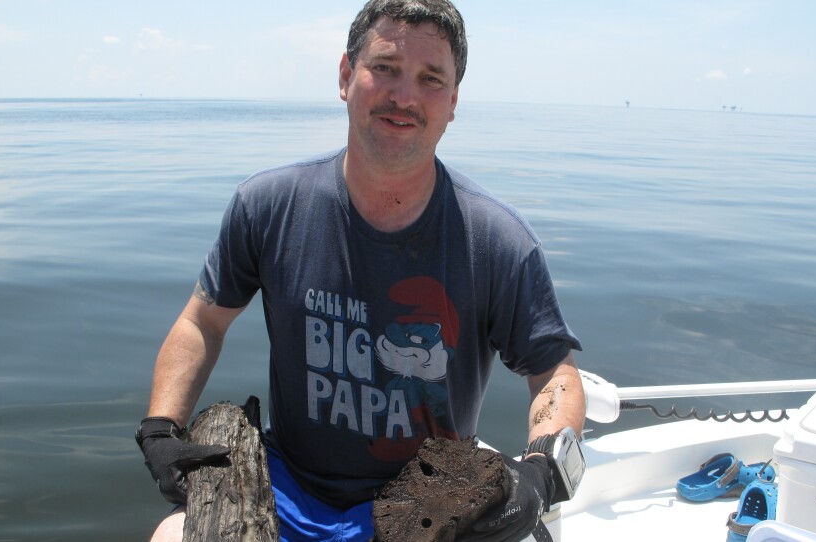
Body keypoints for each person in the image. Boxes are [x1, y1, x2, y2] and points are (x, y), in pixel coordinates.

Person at [136, 1, 585, 540]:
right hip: (289, 491)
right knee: (170, 535)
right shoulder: (268, 205)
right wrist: (161, 428)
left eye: (430, 78)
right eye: (386, 68)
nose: (404, 96)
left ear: (453, 100)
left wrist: (540, 473)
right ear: (347, 75)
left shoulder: (497, 240)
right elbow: (201, 323)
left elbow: (554, 374)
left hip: (434, 504)